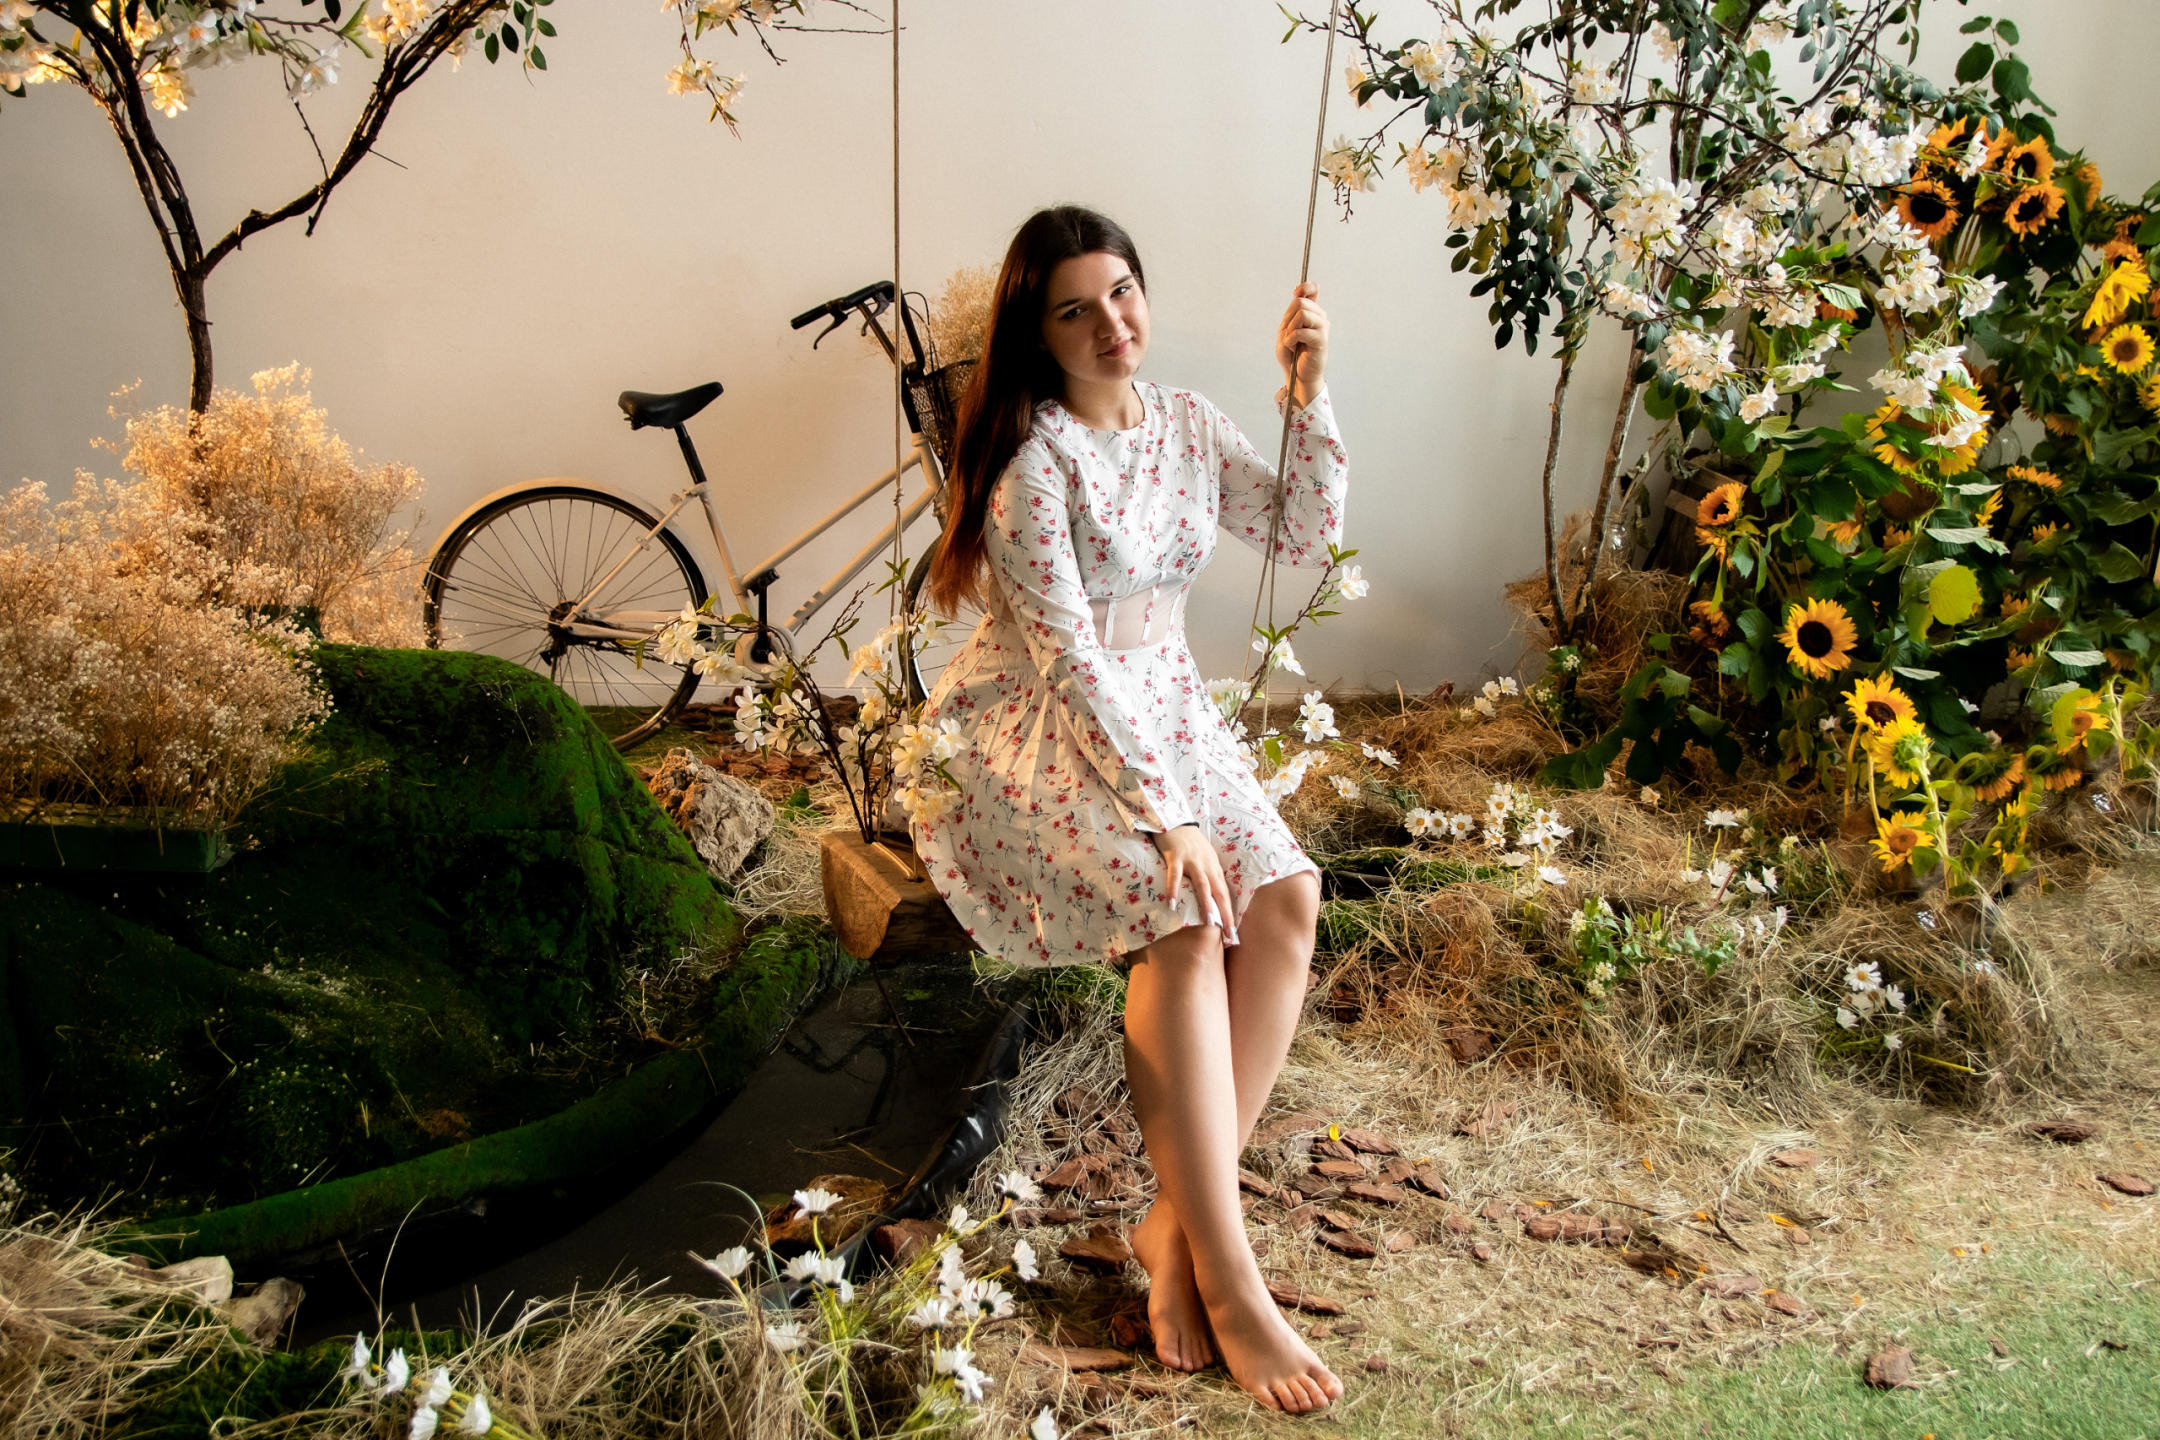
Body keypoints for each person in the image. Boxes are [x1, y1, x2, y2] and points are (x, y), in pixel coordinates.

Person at [910, 205, 1349, 1414]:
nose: (1111, 323)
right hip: (1033, 725)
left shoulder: (1190, 424)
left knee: (1289, 896)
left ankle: (1175, 1225)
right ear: (1036, 332)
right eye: (1075, 310)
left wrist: (1307, 395)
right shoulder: (1031, 461)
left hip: (1165, 703)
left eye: (1122, 293)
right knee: (1182, 911)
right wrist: (1171, 818)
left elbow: (1303, 534)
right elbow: (1064, 659)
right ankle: (1234, 1276)